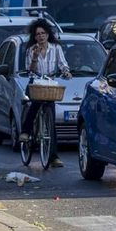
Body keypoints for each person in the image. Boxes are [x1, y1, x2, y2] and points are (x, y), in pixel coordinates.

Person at [18, 18, 71, 168]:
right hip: (36, 82)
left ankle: (53, 156)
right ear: (34, 37)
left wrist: (66, 72)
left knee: (51, 118)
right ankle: (26, 132)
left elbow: (62, 64)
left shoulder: (56, 48)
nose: (40, 36)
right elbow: (31, 69)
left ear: (48, 34)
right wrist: (35, 57)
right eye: (37, 34)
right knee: (35, 104)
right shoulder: (31, 50)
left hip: (50, 83)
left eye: (43, 33)